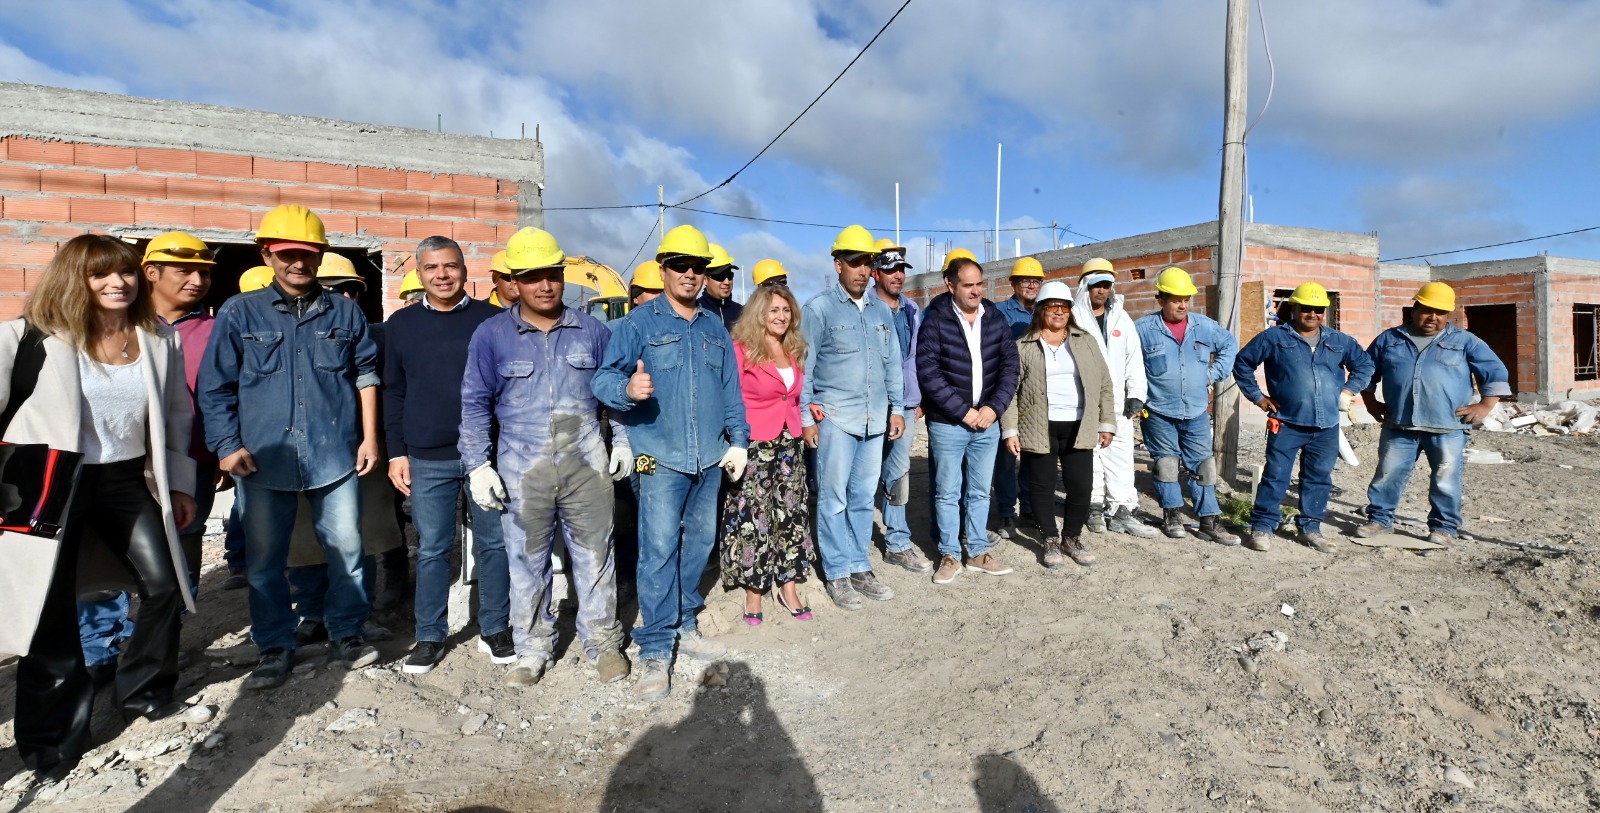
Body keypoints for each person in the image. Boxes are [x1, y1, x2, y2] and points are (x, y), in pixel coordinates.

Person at [1, 234, 198, 779]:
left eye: (127, 273)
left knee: (162, 587)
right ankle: (52, 742)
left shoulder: (158, 338)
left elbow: (178, 415)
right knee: (51, 615)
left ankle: (142, 689)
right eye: (101, 275)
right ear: (75, 279)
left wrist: (179, 484)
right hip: (51, 488)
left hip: (124, 482)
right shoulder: (27, 339)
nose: (118, 283)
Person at [199, 204, 382, 691]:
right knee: (264, 560)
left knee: (347, 549)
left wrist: (369, 437)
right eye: (287, 254)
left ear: (320, 256)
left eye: (308, 253)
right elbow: (216, 387)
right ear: (267, 254)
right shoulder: (241, 313)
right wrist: (227, 446)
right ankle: (275, 645)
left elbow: (365, 374)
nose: (298, 263)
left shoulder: (344, 311)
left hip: (335, 452)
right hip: (262, 458)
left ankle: (347, 633)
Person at [462, 227, 632, 686]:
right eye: (532, 276)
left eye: (552, 275)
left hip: (585, 464)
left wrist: (621, 440)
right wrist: (478, 464)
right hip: (522, 468)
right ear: (515, 281)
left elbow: (612, 393)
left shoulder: (593, 331)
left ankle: (603, 644)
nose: (544, 285)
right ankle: (533, 648)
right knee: (526, 560)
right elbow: (475, 402)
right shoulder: (492, 335)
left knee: (596, 556)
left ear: (563, 275)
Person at [593, 224, 749, 701]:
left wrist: (738, 440)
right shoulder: (637, 324)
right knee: (657, 546)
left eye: (697, 267)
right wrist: (627, 390)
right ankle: (656, 647)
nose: (689, 273)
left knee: (700, 539)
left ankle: (683, 616)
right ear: (663, 270)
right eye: (680, 265)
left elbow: (729, 389)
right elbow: (602, 379)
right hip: (654, 458)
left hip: (708, 458)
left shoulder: (713, 327)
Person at [77, 231, 220, 687]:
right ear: (153, 273)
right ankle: (99, 652)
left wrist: (203, 462)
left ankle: (148, 661)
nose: (197, 280)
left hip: (165, 467)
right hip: (87, 473)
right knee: (95, 569)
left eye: (204, 272)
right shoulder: (72, 332)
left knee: (172, 565)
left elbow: (193, 406)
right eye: (185, 270)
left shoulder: (195, 332)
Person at [384, 236, 513, 674]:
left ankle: (495, 627)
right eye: (432, 268)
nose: (442, 275)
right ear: (419, 274)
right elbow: (394, 392)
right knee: (434, 548)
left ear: (464, 270)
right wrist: (396, 452)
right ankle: (430, 635)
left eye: (451, 266)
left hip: (488, 456)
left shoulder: (493, 321)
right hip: (427, 455)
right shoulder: (401, 326)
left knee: (495, 543)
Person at [800, 225, 905, 610]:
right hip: (836, 420)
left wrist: (896, 408)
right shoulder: (819, 309)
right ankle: (838, 572)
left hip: (875, 420)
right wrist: (806, 418)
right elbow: (805, 368)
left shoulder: (880, 309)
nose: (863, 270)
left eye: (868, 263)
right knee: (833, 499)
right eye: (856, 262)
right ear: (838, 264)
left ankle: (861, 565)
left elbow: (892, 361)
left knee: (863, 497)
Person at [1357, 282, 1510, 546]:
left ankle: (1444, 527)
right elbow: (1366, 371)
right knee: (1388, 473)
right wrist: (1369, 401)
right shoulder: (1389, 339)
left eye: (1440, 312)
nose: (1433, 318)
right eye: (1427, 310)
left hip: (1447, 425)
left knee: (1446, 478)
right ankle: (1380, 520)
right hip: (1399, 424)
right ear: (1414, 308)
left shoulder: (1464, 341)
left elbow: (1494, 372)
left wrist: (1484, 406)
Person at [1233, 282, 1374, 552]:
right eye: (1306, 309)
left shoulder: (1338, 341)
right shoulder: (1274, 338)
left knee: (1319, 478)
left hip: (1326, 426)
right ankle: (1263, 527)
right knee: (1276, 476)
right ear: (1294, 309)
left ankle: (1311, 528)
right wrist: (1258, 398)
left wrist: (1349, 389)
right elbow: (1242, 364)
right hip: (1287, 422)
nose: (1313, 314)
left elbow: (1365, 364)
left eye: (1318, 309)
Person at [917, 255, 1020, 584]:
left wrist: (994, 408)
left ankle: (977, 551)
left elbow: (1010, 367)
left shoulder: (995, 318)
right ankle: (949, 554)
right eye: (968, 285)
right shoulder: (936, 319)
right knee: (947, 491)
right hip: (949, 423)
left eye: (979, 284)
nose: (976, 291)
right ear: (950, 285)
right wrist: (964, 411)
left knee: (979, 491)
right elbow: (929, 373)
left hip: (987, 421)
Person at [1001, 281, 1116, 568]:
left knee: (1080, 486)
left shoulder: (1085, 340)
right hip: (1039, 424)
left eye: (1064, 307)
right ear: (1041, 309)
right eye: (1052, 306)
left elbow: (1104, 384)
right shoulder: (1024, 346)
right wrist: (1010, 430)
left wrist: (1106, 422)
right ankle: (1050, 540)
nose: (1059, 312)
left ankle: (1072, 538)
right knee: (1041, 486)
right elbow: (1011, 392)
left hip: (1079, 423)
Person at [721, 285, 815, 623]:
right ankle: (754, 590)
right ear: (759, 313)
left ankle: (787, 586)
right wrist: (733, 441)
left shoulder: (793, 348)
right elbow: (728, 398)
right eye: (774, 310)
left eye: (786, 310)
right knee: (753, 518)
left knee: (791, 513)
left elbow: (793, 396)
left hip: (789, 442)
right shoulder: (739, 350)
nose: (781, 316)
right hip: (755, 443)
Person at [1133, 267, 1240, 544]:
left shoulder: (1204, 326)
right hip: (1157, 411)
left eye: (1186, 299)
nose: (1182, 305)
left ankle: (1209, 520)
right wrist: (1136, 394)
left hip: (1195, 411)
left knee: (1203, 466)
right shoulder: (1143, 329)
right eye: (1175, 299)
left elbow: (1229, 345)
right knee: (1166, 464)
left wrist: (1212, 375)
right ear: (1161, 300)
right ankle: (1172, 515)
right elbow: (1128, 363)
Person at [1071, 258, 1157, 538]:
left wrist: (1137, 394)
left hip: (1118, 402)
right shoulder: (1074, 318)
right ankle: (1093, 506)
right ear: (1086, 286)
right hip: (1084, 400)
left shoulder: (1122, 318)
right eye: (1097, 285)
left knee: (1120, 453)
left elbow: (1134, 359)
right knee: (1090, 453)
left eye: (1107, 285)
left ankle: (1122, 509)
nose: (1102, 291)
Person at [869, 238, 930, 574]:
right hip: (869, 404)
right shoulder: (864, 307)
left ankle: (897, 541)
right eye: (889, 269)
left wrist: (916, 398)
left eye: (900, 270)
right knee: (862, 477)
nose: (897, 276)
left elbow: (916, 357)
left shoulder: (910, 309)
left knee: (899, 472)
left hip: (904, 405)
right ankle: (858, 543)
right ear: (875, 272)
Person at [990, 257, 1043, 538]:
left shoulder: (1045, 312)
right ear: (1013, 283)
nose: (1031, 285)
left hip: (1035, 394)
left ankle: (1030, 506)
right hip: (1008, 391)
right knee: (1007, 455)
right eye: (1025, 280)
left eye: (1036, 281)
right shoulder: (999, 313)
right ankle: (1006, 511)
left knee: (1033, 453)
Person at [697, 243, 743, 330]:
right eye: (720, 276)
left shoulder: (743, 313)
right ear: (705, 279)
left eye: (730, 276)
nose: (726, 282)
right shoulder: (695, 312)